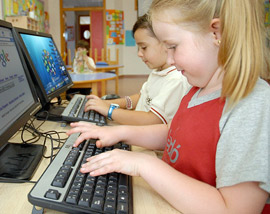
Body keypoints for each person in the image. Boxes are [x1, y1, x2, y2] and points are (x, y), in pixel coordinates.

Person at [67, 0, 270, 213]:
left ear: (216, 34)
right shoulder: (198, 88)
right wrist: (118, 132)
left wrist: (145, 165)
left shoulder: (252, 105)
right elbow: (175, 134)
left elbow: (234, 210)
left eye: (173, 47)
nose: (170, 60)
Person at [84, 14, 190, 125]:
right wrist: (107, 103)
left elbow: (152, 119)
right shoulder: (158, 72)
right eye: (138, 48)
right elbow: (141, 97)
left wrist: (110, 111)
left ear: (166, 43)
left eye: (144, 47)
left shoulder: (176, 79)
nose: (139, 54)